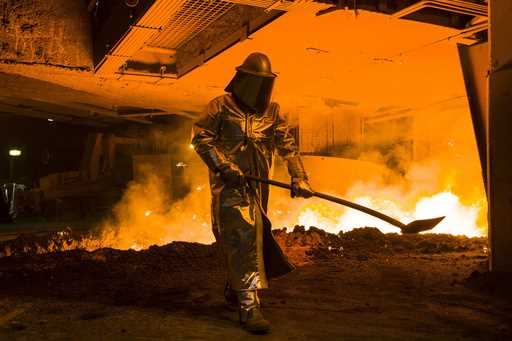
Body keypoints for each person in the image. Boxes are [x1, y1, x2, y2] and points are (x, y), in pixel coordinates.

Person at [191, 52, 313, 334]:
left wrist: (299, 176)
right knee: (241, 236)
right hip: (230, 187)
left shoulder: (271, 113)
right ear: (244, 81)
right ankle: (249, 308)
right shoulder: (220, 107)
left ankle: (236, 289)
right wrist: (224, 166)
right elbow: (201, 138)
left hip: (259, 187)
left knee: (249, 239)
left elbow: (287, 145)